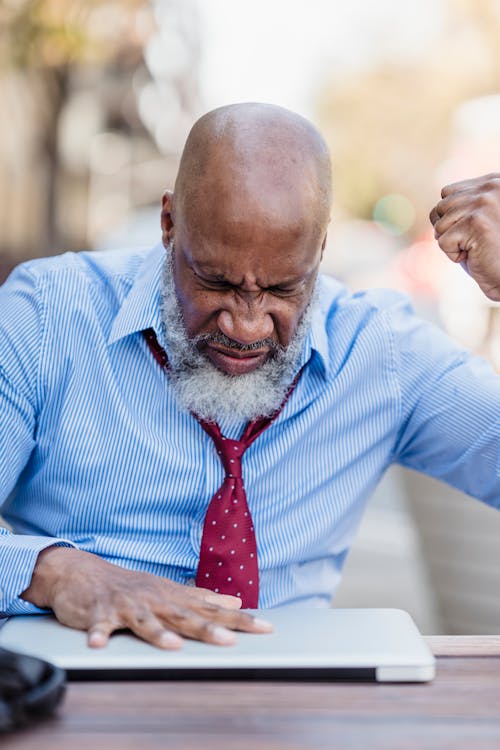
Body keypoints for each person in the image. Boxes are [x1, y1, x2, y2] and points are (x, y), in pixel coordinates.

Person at [0, 103, 499, 650]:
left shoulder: (383, 352)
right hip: (80, 682)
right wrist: (55, 572)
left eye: (284, 289)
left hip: (287, 710)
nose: (246, 323)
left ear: (321, 249)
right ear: (168, 225)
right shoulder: (46, 316)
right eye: (215, 281)